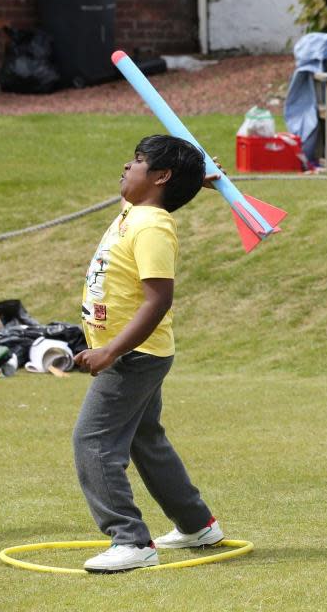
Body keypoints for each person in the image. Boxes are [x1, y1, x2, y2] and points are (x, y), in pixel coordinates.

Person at [72, 135, 226, 572]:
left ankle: (130, 540)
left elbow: (158, 300)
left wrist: (110, 353)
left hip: (132, 356)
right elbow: (162, 196)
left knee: (94, 441)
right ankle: (197, 524)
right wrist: (197, 181)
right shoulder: (135, 212)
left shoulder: (152, 226)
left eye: (138, 160)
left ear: (159, 175)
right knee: (145, 439)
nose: (127, 165)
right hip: (135, 352)